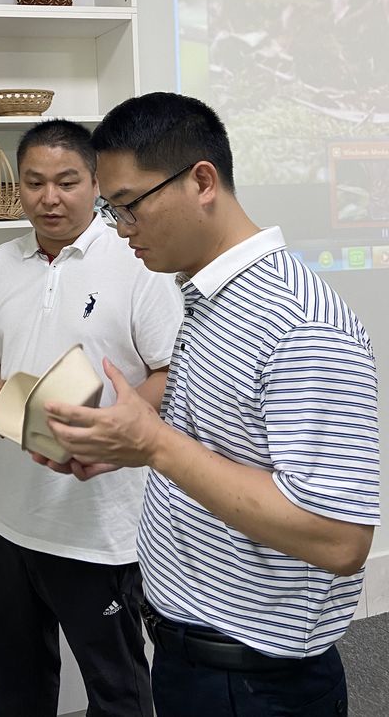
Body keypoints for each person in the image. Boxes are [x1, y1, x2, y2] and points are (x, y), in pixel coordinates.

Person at [38, 93, 380, 717]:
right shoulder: (207, 297)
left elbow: (339, 540)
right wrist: (124, 447)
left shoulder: (301, 324)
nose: (120, 228)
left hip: (254, 683)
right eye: (112, 210)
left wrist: (154, 443)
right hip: (190, 654)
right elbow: (218, 449)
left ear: (201, 181)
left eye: (130, 205)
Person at [0, 119, 182, 717]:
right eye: (34, 182)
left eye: (67, 182)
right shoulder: (3, 262)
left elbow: (171, 370)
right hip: (7, 514)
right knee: (17, 685)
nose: (49, 198)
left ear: (96, 183)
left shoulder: (136, 261)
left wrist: (113, 427)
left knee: (117, 691)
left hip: (99, 524)